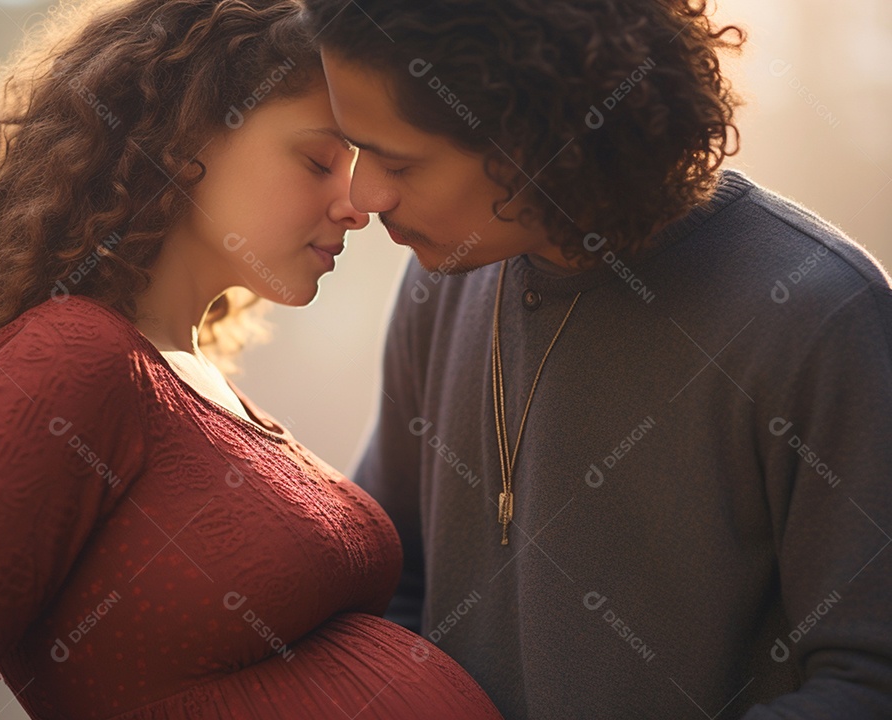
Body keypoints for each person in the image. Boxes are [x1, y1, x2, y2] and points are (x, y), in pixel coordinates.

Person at [0, 1, 505, 718]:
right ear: (184, 140)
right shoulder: (70, 359)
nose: (356, 203)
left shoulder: (191, 375)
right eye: (320, 161)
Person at [301, 0, 892, 718]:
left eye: (396, 161)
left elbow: (868, 681)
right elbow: (390, 585)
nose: (363, 196)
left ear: (531, 132)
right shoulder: (439, 281)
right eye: (355, 149)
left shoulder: (819, 316)